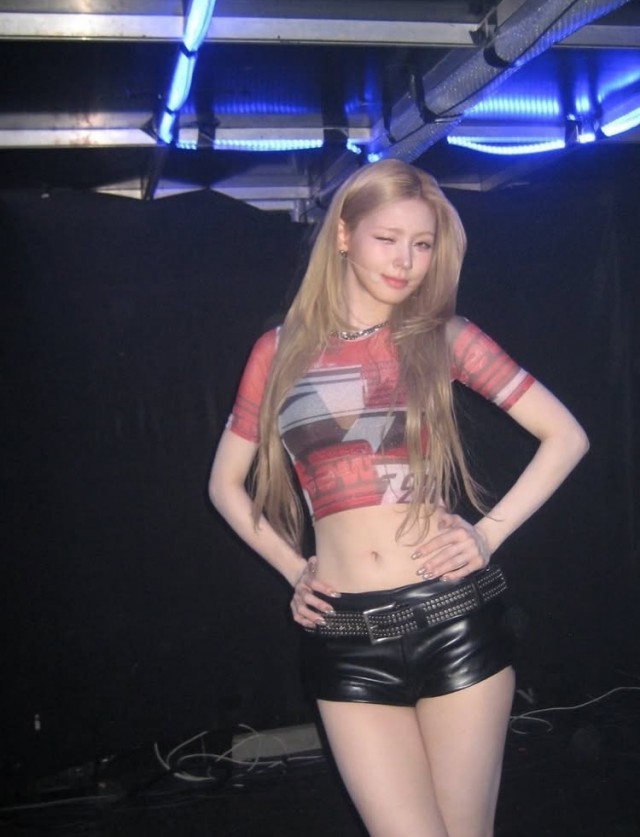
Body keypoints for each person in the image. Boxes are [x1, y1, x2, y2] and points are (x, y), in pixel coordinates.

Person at [209, 159, 588, 837]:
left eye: (422, 244)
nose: (406, 261)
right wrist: (295, 569)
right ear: (344, 235)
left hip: (453, 620)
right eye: (387, 239)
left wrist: (487, 533)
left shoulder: (442, 337)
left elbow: (567, 435)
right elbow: (224, 484)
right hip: (346, 640)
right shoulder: (279, 351)